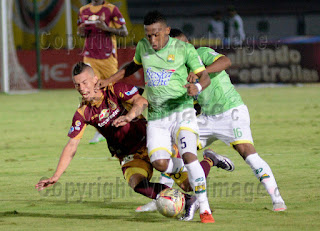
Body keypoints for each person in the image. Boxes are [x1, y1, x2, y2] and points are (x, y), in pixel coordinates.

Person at [35, 62, 233, 221]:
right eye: (77, 84)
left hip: (151, 141)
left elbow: (141, 102)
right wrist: (56, 176)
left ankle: (210, 159)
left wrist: (129, 116)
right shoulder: (83, 112)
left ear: (95, 79)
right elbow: (72, 145)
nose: (82, 88)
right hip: (128, 154)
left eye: (85, 82)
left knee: (190, 183)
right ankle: (187, 200)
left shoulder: (114, 89)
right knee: (136, 182)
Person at [96, 11, 216, 223]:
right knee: (160, 163)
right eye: (149, 35)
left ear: (167, 31)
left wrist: (196, 86)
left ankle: (204, 209)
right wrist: (110, 80)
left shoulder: (184, 49)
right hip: (157, 117)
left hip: (182, 112)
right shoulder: (143, 46)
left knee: (188, 155)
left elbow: (204, 75)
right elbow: (133, 66)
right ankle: (205, 162)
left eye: (157, 34)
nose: (152, 40)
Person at [171, 29, 286, 214]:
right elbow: (195, 102)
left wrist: (200, 72)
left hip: (231, 112)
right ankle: (164, 197)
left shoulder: (201, 54)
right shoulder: (178, 71)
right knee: (176, 149)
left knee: (247, 153)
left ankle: (277, 199)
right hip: (206, 119)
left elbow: (226, 61)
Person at [77, 0, 128, 144]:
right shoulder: (83, 10)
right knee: (90, 93)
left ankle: (123, 125)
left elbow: (124, 32)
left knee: (113, 92)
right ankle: (100, 131)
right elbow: (80, 32)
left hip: (108, 58)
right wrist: (81, 31)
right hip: (90, 57)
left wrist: (106, 28)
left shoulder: (111, 9)